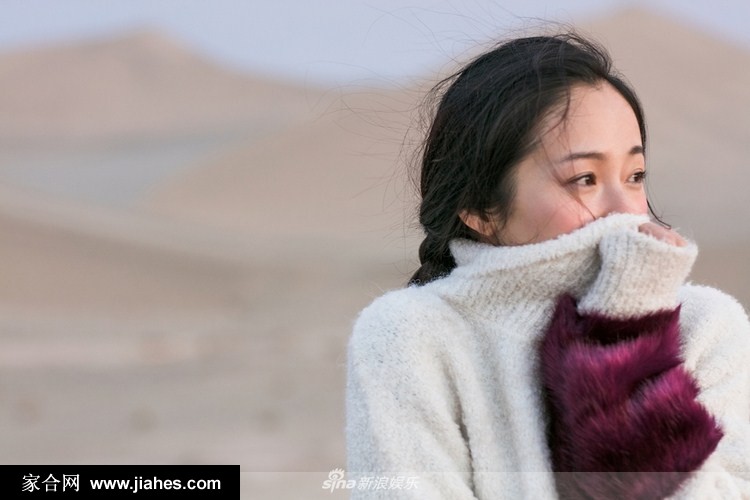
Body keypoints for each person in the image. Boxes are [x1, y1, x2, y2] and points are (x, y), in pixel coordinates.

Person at [346, 32, 750, 498]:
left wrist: (627, 334)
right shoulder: (410, 336)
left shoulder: (705, 327)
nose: (626, 211)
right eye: (585, 179)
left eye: (635, 176)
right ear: (479, 208)